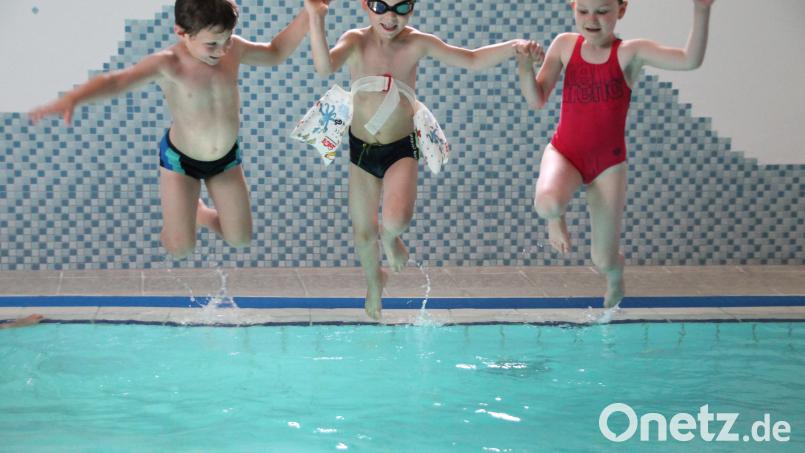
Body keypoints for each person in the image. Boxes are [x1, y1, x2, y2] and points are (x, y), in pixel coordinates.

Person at [302, 0, 533, 320]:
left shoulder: (417, 43)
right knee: (363, 234)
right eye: (381, 6)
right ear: (366, 5)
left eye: (401, 8)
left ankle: (391, 238)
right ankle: (374, 282)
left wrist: (514, 46)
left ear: (412, 8)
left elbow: (472, 59)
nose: (390, 16)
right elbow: (324, 66)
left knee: (396, 220)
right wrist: (316, 18)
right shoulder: (355, 40)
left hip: (400, 149)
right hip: (361, 151)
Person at [29, 0, 311, 258]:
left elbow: (275, 52)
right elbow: (117, 81)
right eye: (212, 44)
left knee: (239, 239)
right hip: (181, 161)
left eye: (227, 39)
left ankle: (200, 214)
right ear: (181, 32)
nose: (222, 49)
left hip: (225, 159)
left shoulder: (233, 49)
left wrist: (309, 12)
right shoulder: (168, 63)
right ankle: (182, 224)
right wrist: (74, 98)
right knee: (180, 249)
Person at [516, 0, 715, 307]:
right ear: (573, 7)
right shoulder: (565, 45)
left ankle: (615, 274)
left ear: (621, 10)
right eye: (583, 11)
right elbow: (536, 99)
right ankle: (556, 219)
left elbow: (690, 60)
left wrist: (701, 10)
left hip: (608, 166)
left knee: (603, 258)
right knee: (547, 204)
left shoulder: (630, 53)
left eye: (602, 11)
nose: (592, 19)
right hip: (565, 153)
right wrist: (524, 67)